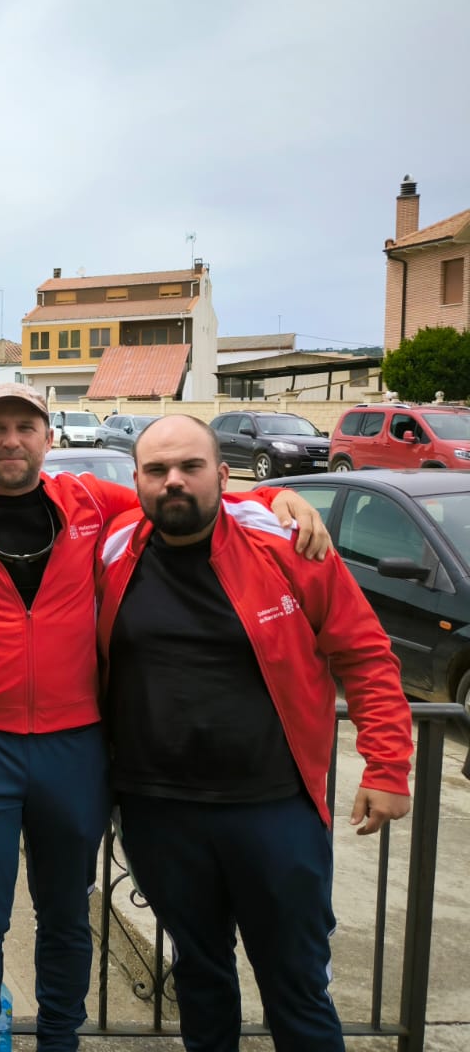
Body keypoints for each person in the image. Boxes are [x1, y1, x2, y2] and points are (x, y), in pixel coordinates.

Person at [0, 383, 329, 1052]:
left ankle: (60, 1041)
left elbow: (183, 500)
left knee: (66, 915)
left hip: (75, 743)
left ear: (48, 439)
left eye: (26, 426)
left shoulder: (89, 501)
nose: (11, 439)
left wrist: (274, 497)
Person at [96, 415, 413, 1050]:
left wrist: (387, 767)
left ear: (224, 473)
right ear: (136, 481)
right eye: (157, 471)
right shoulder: (113, 547)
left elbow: (366, 654)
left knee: (296, 985)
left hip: (274, 808)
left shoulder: (288, 545)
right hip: (159, 812)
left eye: (191, 467)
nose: (174, 482)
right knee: (200, 978)